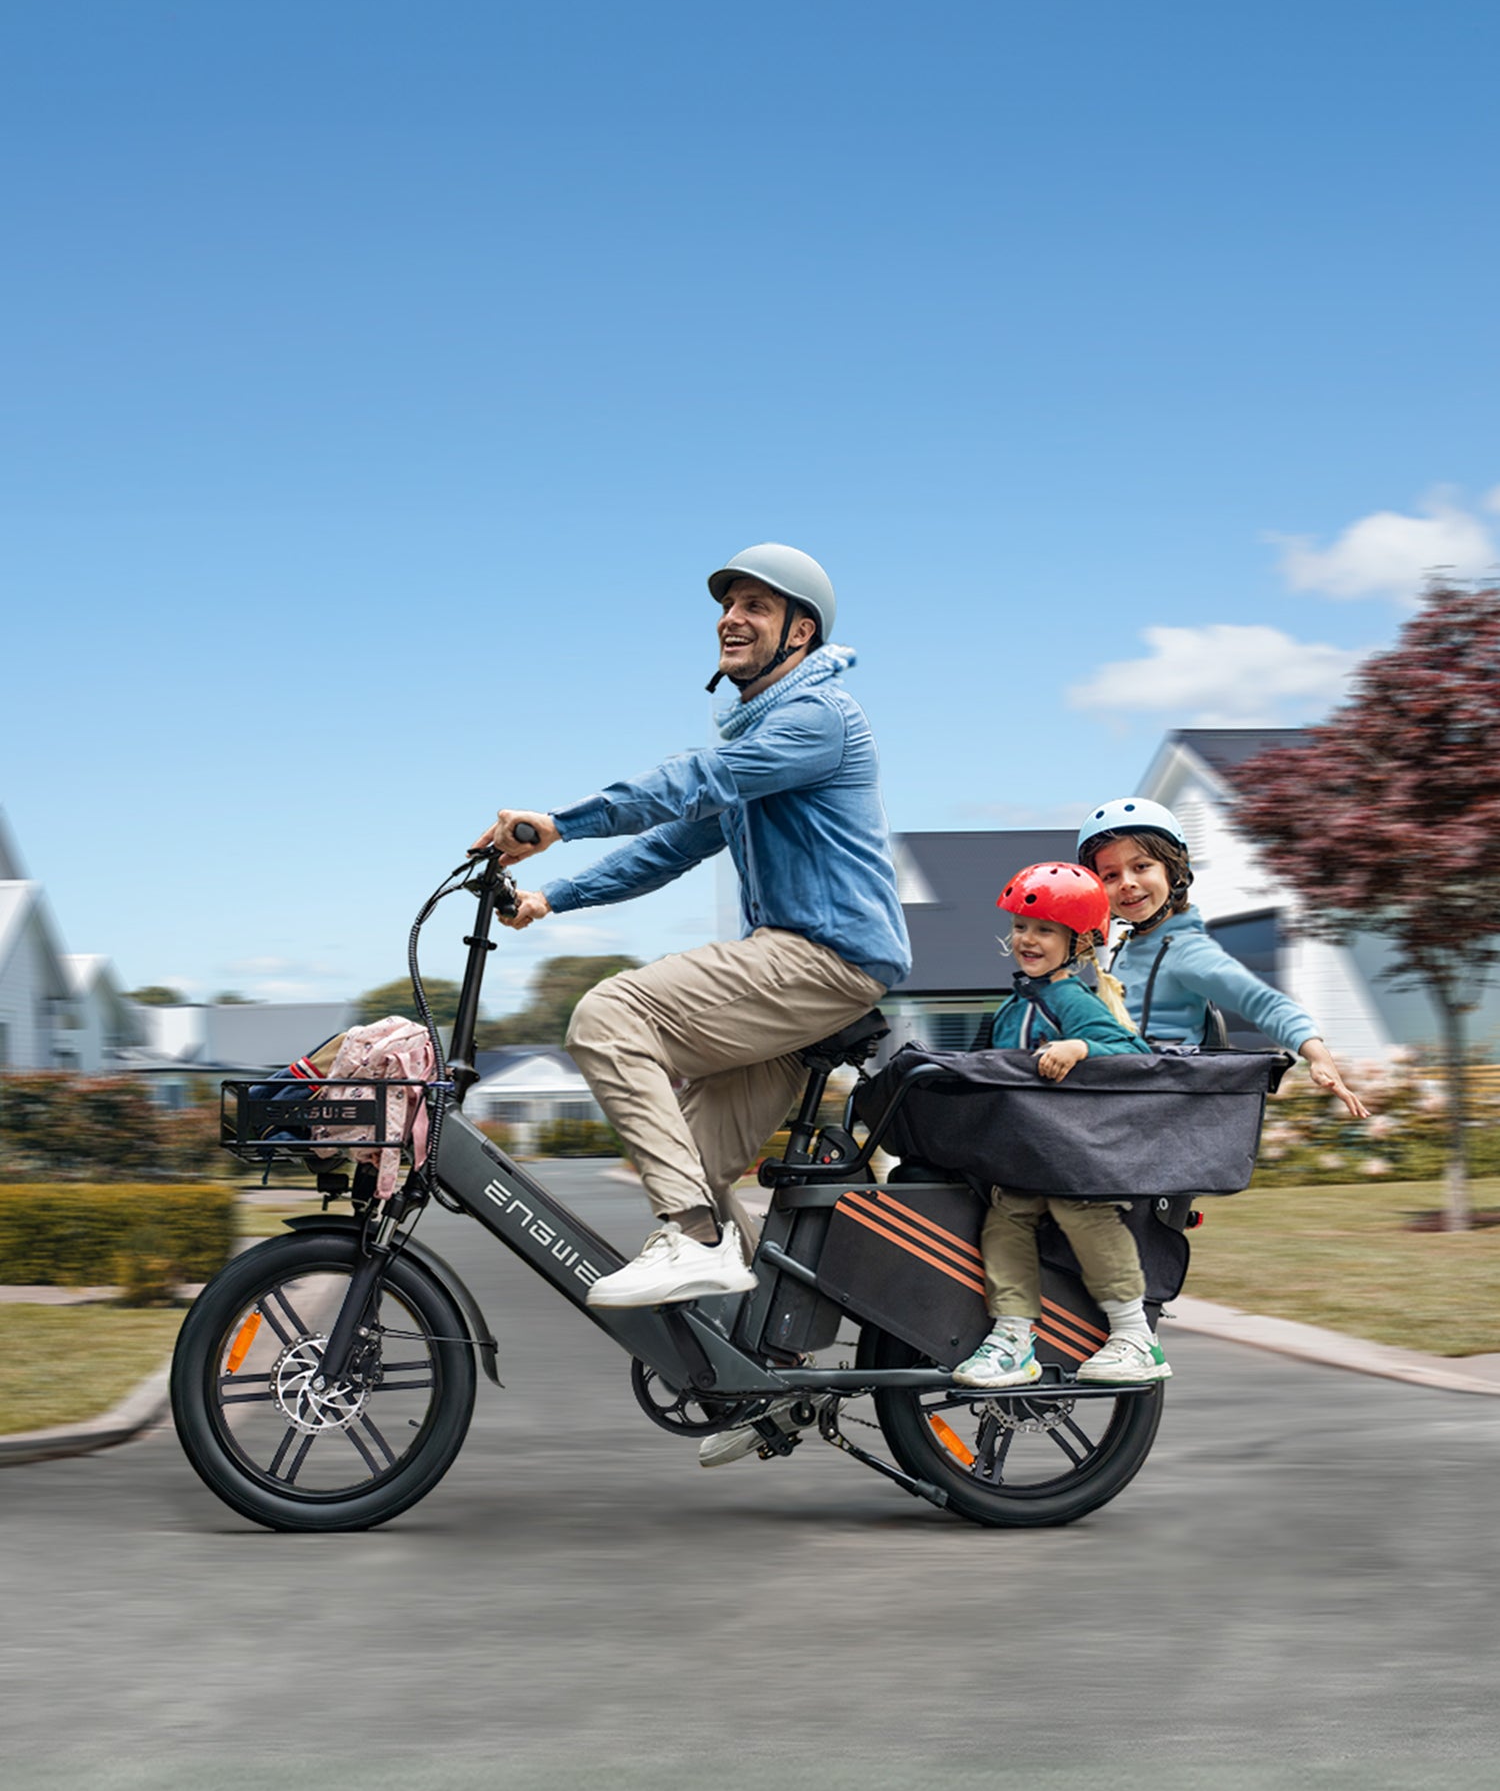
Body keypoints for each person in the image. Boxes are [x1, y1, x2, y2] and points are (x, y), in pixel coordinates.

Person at [469, 542, 911, 1316]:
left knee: (610, 1016)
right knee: (688, 1167)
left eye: (755, 607)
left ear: (799, 633)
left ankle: (697, 1239)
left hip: (826, 959)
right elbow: (675, 843)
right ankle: (756, 1375)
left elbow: (696, 781)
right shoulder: (756, 737)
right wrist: (552, 898)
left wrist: (561, 823)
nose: (730, 619)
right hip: (796, 973)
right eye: (727, 604)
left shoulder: (817, 718)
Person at [953, 862, 1173, 1390]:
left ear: (1077, 945)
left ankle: (1134, 1335)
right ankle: (1013, 1337)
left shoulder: (1071, 1000)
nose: (1028, 939)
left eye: (1046, 930)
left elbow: (1133, 1053)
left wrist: (1080, 1047)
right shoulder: (1014, 1004)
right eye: (1022, 927)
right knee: (1004, 1221)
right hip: (1026, 1155)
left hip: (1076, 1155)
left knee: (1084, 1215)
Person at [1076, 798, 1370, 1120]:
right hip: (1123, 1098)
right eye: (1110, 875)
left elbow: (1261, 1001)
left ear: (1174, 872)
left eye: (1142, 866)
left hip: (1163, 1109)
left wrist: (1317, 1055)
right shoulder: (1126, 947)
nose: (1127, 882)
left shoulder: (1186, 951)